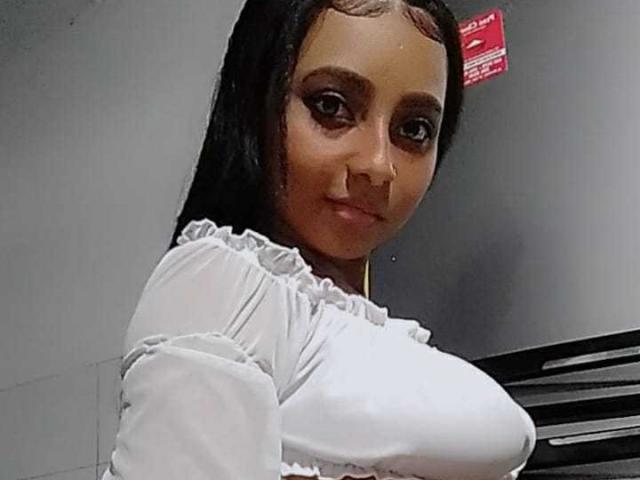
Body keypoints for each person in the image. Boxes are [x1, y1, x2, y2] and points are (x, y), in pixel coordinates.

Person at [103, 1, 536, 479]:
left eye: (414, 129)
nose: (378, 165)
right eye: (331, 106)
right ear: (256, 102)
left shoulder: (343, 326)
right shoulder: (223, 293)